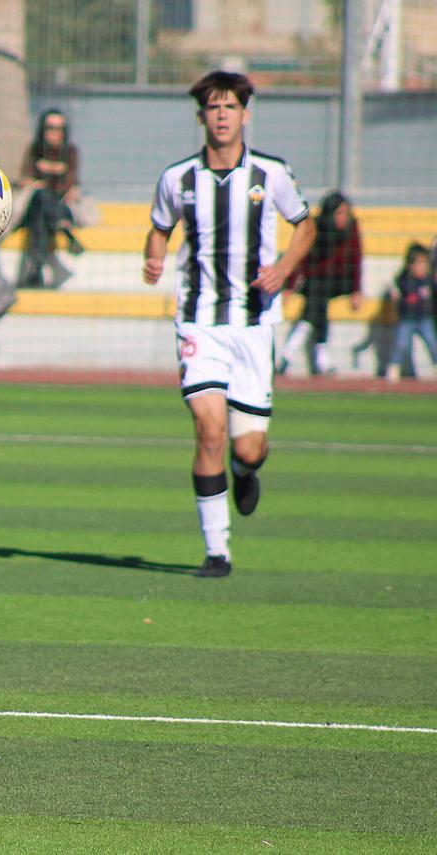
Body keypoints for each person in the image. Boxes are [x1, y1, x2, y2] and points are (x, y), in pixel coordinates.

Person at [142, 70, 316, 578]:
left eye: (230, 107)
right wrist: (154, 260)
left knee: (248, 446)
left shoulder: (271, 173)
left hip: (254, 324)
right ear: (201, 117)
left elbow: (306, 226)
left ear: (245, 114)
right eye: (213, 108)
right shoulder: (177, 178)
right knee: (209, 430)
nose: (221, 116)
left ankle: (246, 471)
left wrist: (285, 268)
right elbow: (158, 229)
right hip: (199, 322)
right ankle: (217, 550)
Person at [277, 191, 364, 375]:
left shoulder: (352, 228)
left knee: (315, 303)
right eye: (339, 214)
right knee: (317, 304)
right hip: (315, 280)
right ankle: (320, 360)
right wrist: (290, 286)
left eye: (345, 214)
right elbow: (301, 257)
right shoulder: (316, 228)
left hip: (340, 280)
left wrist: (356, 290)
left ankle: (288, 354)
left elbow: (356, 258)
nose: (343, 219)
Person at [16, 109, 85, 289]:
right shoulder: (34, 149)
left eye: (59, 128)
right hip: (36, 206)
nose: (55, 132)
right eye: (50, 127)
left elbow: (70, 182)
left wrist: (45, 175)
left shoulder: (70, 151)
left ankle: (36, 269)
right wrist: (53, 174)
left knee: (41, 210)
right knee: (40, 199)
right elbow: (27, 177)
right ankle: (64, 228)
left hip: (60, 205)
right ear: (42, 129)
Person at [384, 242, 436, 382]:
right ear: (410, 264)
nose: (422, 267)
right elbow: (393, 291)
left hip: (425, 319)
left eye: (424, 263)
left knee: (433, 344)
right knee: (401, 345)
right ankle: (394, 368)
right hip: (407, 319)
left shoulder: (429, 280)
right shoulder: (403, 280)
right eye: (419, 263)